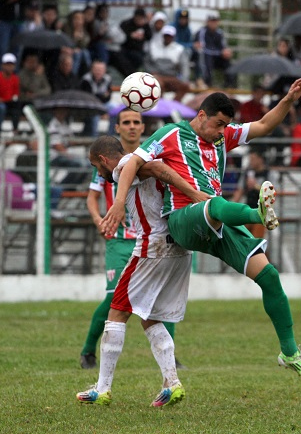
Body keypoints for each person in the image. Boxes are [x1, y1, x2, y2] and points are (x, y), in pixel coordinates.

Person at [101, 78, 301, 381]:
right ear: (201, 115)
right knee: (214, 204)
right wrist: (118, 202)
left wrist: (288, 100)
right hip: (182, 219)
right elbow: (132, 164)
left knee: (268, 276)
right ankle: (257, 212)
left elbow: (264, 125)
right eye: (217, 124)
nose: (221, 132)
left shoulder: (222, 138)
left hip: (215, 219)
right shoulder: (171, 134)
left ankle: (290, 352)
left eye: (225, 127)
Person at [76, 134, 210, 407]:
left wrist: (194, 194)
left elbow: (160, 168)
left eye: (95, 166)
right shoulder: (133, 163)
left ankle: (102, 389)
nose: (97, 172)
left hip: (153, 248)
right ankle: (172, 383)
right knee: (150, 317)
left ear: (103, 160)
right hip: (178, 248)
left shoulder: (126, 163)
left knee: (116, 312)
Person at [79, 110, 183, 370]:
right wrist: (99, 219)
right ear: (118, 127)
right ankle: (88, 352)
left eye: (137, 122)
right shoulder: (103, 163)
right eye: (127, 122)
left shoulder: (149, 157)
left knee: (160, 301)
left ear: (142, 126)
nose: (132, 127)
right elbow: (91, 197)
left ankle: (171, 357)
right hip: (119, 240)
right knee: (114, 298)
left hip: (151, 238)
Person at [144, 25, 190, 102]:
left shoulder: (179, 49)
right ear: (163, 36)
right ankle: (160, 106)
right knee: (158, 85)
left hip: (172, 77)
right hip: (157, 76)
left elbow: (184, 66)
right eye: (166, 35)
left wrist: (184, 78)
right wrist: (151, 71)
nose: (168, 38)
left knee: (185, 86)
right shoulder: (153, 46)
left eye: (170, 36)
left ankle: (174, 104)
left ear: (173, 37)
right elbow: (146, 62)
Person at [194, 12, 234, 88]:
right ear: (207, 21)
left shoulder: (220, 33)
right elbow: (202, 48)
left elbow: (223, 47)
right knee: (205, 58)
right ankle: (207, 83)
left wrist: (226, 51)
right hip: (206, 56)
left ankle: (229, 85)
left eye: (215, 20)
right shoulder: (201, 32)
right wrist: (220, 52)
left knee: (228, 61)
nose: (213, 23)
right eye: (211, 20)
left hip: (217, 57)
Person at [0, 53, 21, 138]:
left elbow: (16, 94)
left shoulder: (15, 79)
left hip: (9, 102)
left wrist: (12, 99)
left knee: (17, 108)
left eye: (11, 65)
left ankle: (15, 130)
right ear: (2, 65)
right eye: (7, 64)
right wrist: (8, 99)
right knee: (2, 108)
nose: (9, 67)